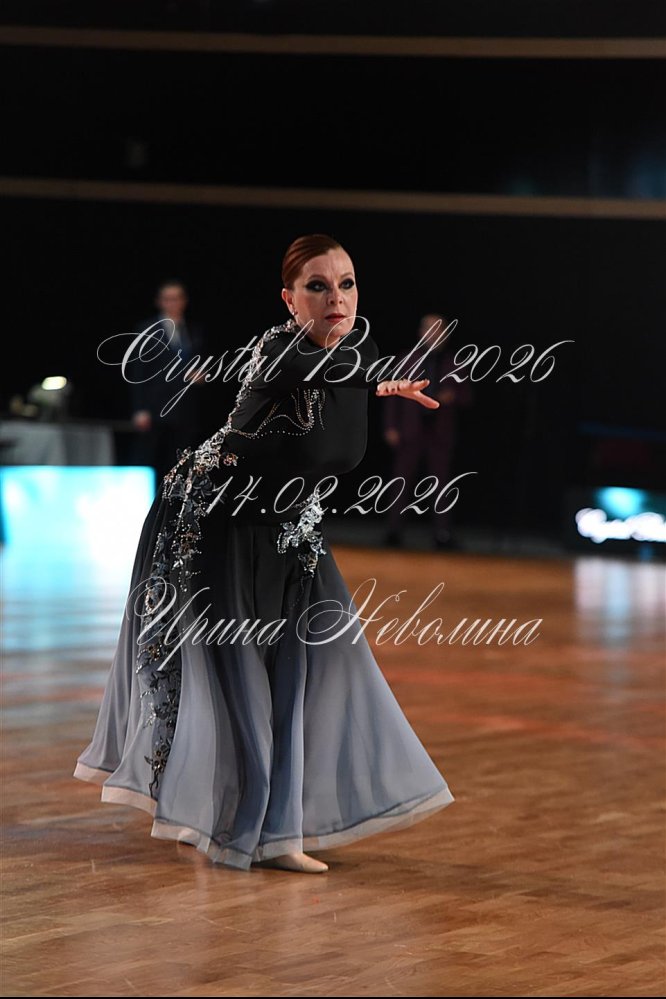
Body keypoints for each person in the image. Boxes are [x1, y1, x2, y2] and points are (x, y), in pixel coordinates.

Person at [73, 234, 455, 875]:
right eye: (317, 287)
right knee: (243, 674)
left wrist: (379, 383)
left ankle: (267, 827)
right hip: (218, 518)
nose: (337, 299)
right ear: (289, 298)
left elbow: (342, 377)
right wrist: (365, 380)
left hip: (291, 524)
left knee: (310, 668)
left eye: (347, 283)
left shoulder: (358, 348)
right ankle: (247, 830)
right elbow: (275, 403)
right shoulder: (278, 353)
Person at [383, 313, 473, 550]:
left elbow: (466, 396)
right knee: (401, 481)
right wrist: (391, 426)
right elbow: (392, 394)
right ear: (421, 332)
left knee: (441, 483)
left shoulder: (454, 362)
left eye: (439, 329)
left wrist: (453, 395)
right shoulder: (407, 359)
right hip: (410, 429)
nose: (434, 334)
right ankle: (393, 531)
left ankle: (442, 533)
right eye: (429, 329)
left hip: (440, 432)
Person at [130, 279, 208, 481]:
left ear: (184, 301)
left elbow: (203, 363)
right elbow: (138, 372)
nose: (173, 303)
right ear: (159, 301)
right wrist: (140, 409)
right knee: (149, 459)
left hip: (186, 409)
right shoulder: (147, 330)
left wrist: (202, 376)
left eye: (177, 298)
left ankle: (176, 498)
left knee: (181, 463)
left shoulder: (194, 330)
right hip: (155, 408)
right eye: (168, 299)